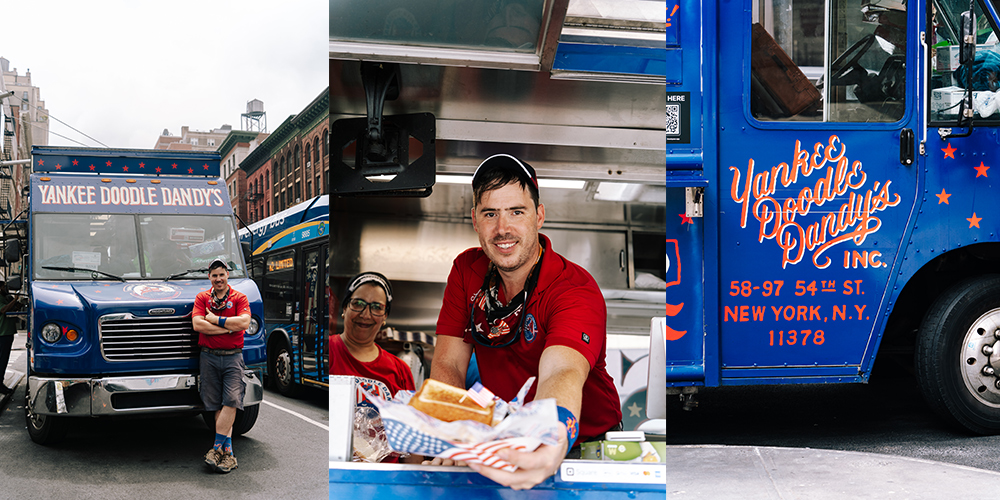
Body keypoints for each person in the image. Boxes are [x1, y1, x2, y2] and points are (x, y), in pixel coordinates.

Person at [429, 153, 622, 490]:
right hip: (508, 440)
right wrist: (457, 429)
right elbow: (448, 364)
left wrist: (551, 434)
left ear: (539, 216)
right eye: (491, 214)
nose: (503, 229)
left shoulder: (574, 288)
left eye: (516, 212)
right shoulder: (466, 271)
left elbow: (561, 372)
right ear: (475, 220)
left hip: (582, 448)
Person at [329, 272, 418, 463]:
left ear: (384, 316)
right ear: (345, 307)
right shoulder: (327, 350)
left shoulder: (400, 370)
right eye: (358, 303)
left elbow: (412, 439)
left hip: (383, 483)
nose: (366, 314)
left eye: (376, 307)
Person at [192, 259, 251, 474]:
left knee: (232, 401)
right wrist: (228, 328)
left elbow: (244, 323)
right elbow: (198, 325)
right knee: (215, 404)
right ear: (209, 277)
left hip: (233, 358)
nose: (218, 279)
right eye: (214, 275)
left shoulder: (239, 298)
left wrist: (215, 320)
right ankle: (229, 454)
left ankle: (216, 449)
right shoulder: (202, 298)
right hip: (208, 357)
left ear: (228, 276)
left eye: (222, 274)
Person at [0, 279, 23, 397]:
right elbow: (3, 310)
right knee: (2, 360)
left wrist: (18, 302)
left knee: (4, 360)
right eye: (4, 286)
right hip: (2, 334)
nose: (6, 288)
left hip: (7, 333)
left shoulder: (5, 298)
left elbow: (12, 309)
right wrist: (15, 299)